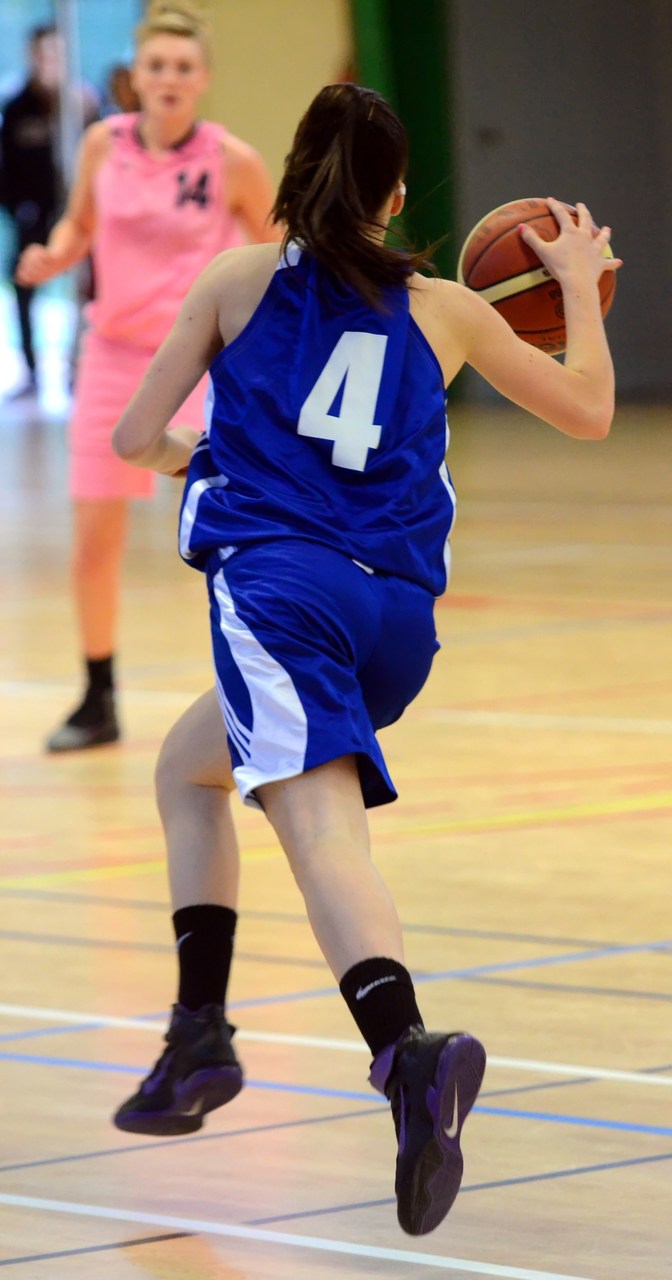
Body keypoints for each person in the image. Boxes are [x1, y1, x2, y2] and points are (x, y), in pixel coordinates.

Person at [109, 84, 619, 1236]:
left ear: (296, 174)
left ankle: (406, 1051)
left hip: (286, 597)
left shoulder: (237, 280)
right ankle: (198, 1035)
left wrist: (208, 454)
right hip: (396, 623)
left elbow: (136, 437)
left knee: (322, 830)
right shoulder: (449, 309)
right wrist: (578, 284)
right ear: (394, 194)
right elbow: (591, 410)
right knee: (189, 768)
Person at [16, 2, 279, 753]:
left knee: (229, 534)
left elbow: (276, 252)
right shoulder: (105, 143)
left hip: (197, 362)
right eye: (156, 65)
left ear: (203, 79)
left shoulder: (232, 161)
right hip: (111, 357)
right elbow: (79, 224)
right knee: (94, 540)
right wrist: (54, 255)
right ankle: (98, 697)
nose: (169, 78)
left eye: (183, 67)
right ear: (136, 75)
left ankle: (265, 687)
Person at [1, 24, 97, 399]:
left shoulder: (83, 103)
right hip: (34, 215)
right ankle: (31, 372)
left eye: (56, 53)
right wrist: (19, 209)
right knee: (25, 286)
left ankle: (79, 368)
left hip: (80, 214)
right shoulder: (17, 107)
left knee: (87, 290)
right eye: (43, 53)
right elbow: (6, 168)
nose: (49, 61)